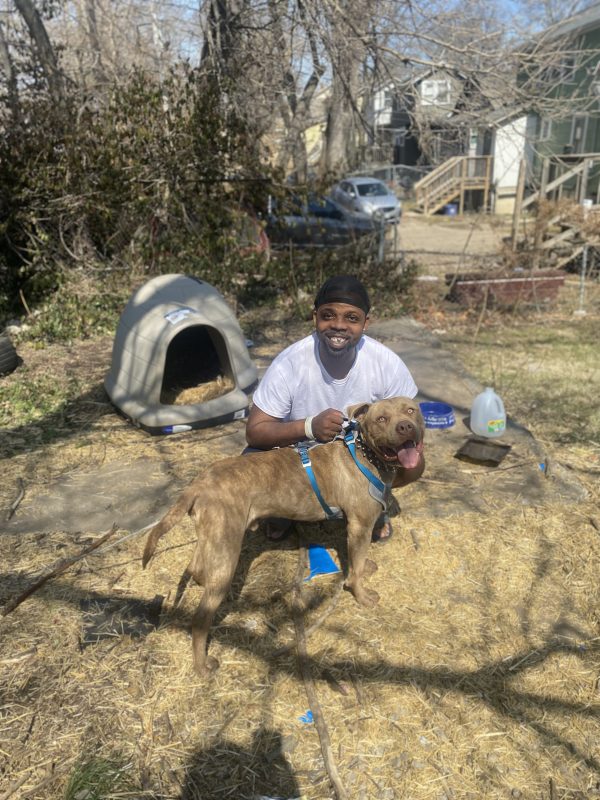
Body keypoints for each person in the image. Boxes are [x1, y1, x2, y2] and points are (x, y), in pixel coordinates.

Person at [245, 274, 424, 542]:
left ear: (366, 323)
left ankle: (373, 500)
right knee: (250, 459)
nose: (339, 325)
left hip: (363, 459)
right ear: (314, 317)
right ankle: (283, 510)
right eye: (328, 315)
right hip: (302, 458)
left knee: (413, 461)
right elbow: (255, 431)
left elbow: (411, 417)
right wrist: (308, 427)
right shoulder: (290, 363)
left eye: (352, 318)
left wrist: (409, 444)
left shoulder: (386, 362)